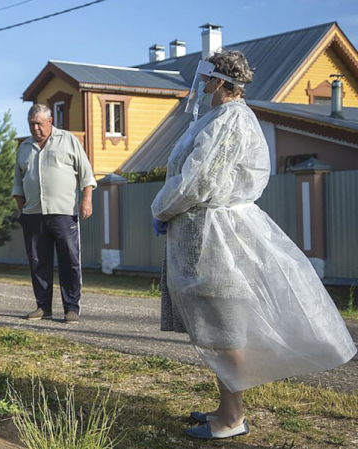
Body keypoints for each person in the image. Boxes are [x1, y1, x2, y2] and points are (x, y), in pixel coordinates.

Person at [152, 50, 356, 440]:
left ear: (218, 81)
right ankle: (225, 407)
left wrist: (161, 208)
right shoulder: (222, 117)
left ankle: (232, 419)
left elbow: (199, 181)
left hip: (218, 237)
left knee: (225, 325)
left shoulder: (230, 121)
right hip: (207, 230)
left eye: (206, 77)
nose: (202, 84)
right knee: (215, 325)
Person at [12, 104, 96, 324]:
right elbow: (17, 185)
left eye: (39, 123)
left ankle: (71, 308)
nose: (35, 128)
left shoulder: (68, 140)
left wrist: (86, 200)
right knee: (38, 262)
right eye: (32, 124)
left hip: (64, 213)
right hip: (33, 215)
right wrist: (21, 211)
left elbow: (86, 175)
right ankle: (43, 307)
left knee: (69, 260)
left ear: (50, 121)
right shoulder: (24, 147)